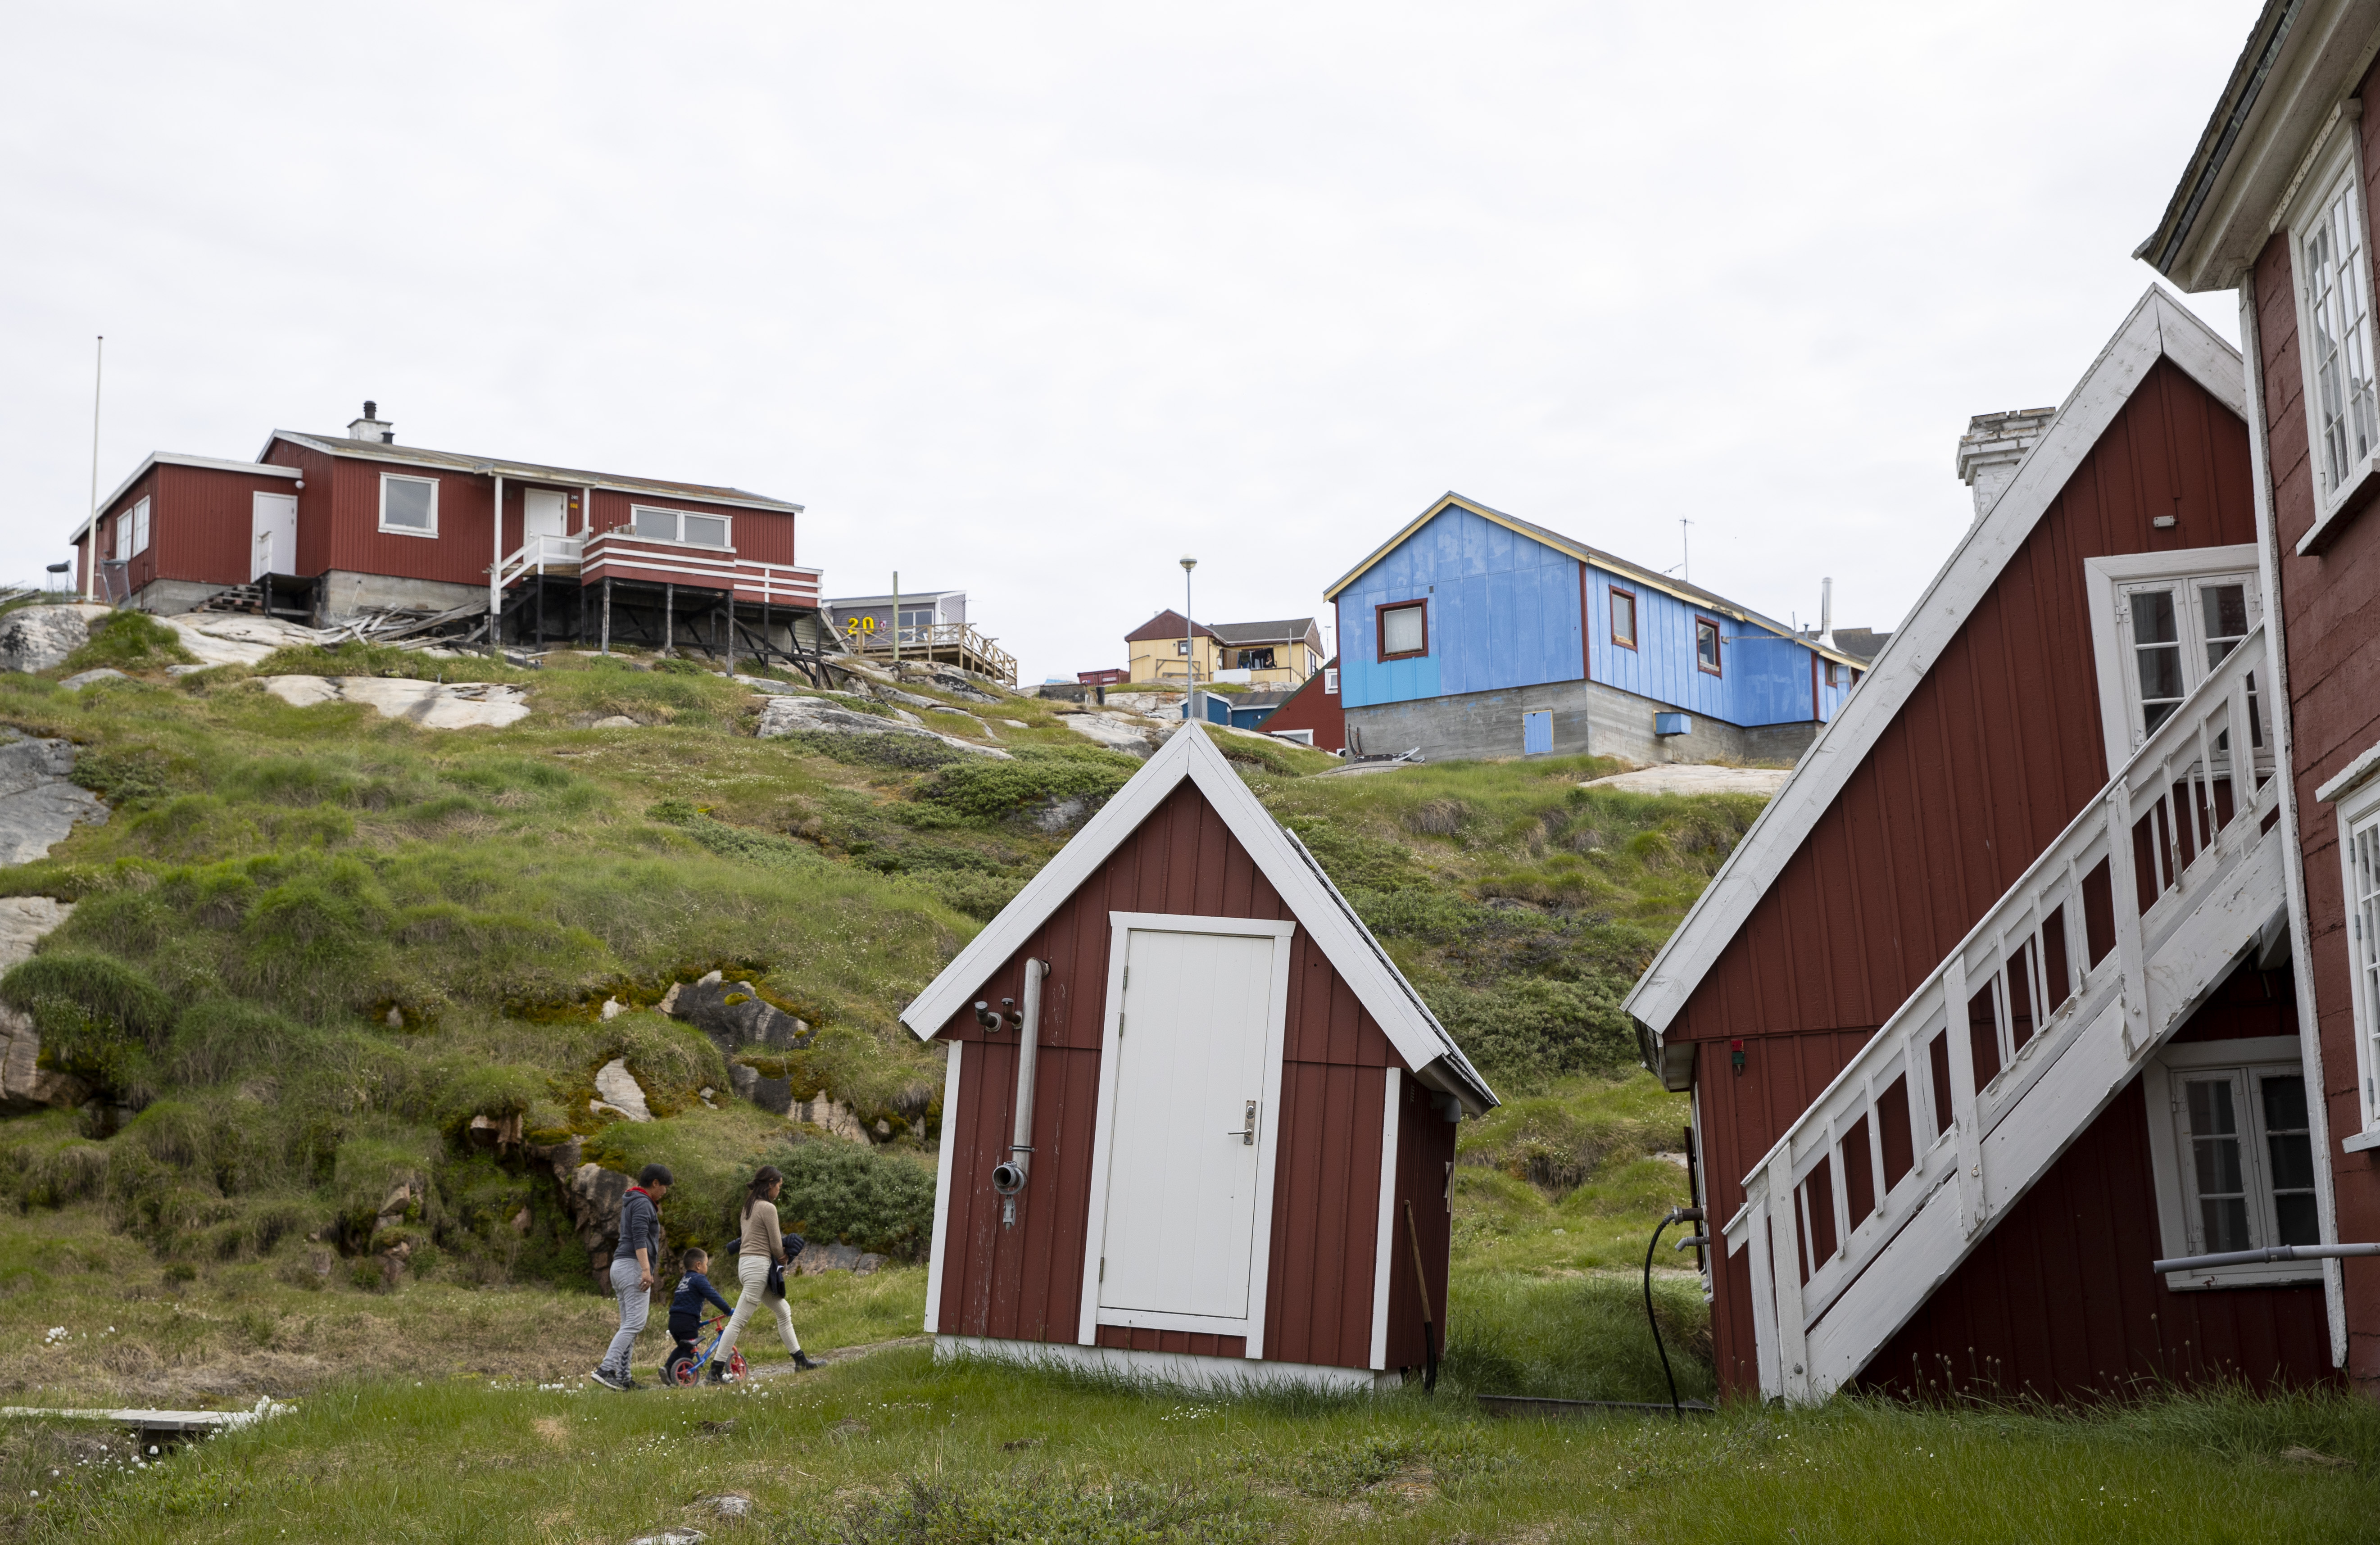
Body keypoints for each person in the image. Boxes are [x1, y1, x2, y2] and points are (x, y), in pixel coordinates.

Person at [709, 1164, 816, 1380]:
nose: (780, 1190)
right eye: (779, 1186)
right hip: (759, 1267)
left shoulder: (749, 1207)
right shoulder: (768, 1208)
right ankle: (715, 1372)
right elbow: (776, 1245)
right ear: (770, 1185)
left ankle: (801, 1361)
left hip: (747, 1265)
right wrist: (784, 1256)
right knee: (738, 1321)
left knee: (783, 1310)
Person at [592, 1163, 672, 1391]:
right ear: (655, 1183)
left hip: (620, 1266)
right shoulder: (643, 1203)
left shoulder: (632, 1201)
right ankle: (606, 1370)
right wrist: (646, 1270)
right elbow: (639, 1237)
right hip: (633, 1267)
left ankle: (624, 1378)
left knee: (629, 1325)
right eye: (665, 1186)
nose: (665, 1191)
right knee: (635, 1324)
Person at [663, 1246, 733, 1382]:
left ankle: (667, 1369)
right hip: (686, 1321)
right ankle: (680, 1376)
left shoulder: (685, 1280)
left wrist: (697, 1321)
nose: (707, 1267)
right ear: (699, 1265)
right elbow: (713, 1295)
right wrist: (727, 1310)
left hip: (674, 1321)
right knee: (690, 1350)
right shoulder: (699, 1279)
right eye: (706, 1264)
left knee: (683, 1347)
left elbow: (687, 1301)